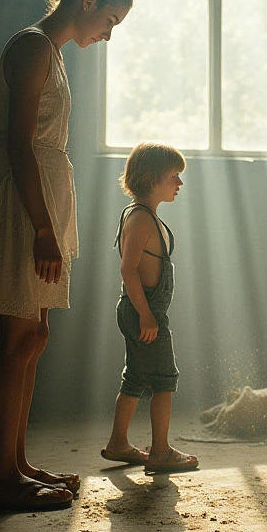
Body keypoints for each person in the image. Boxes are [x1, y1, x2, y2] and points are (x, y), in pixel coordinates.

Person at [0, 0, 133, 510]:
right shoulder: (33, 46)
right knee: (17, 338)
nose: (108, 34)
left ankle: (16, 462)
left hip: (41, 197)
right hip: (22, 202)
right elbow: (19, 143)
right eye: (110, 20)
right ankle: (0, 479)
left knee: (34, 336)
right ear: (87, 3)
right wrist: (41, 228)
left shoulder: (52, 53)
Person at [101, 142, 199, 475]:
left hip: (143, 308)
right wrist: (146, 314)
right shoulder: (141, 219)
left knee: (136, 377)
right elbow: (128, 270)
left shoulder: (145, 215)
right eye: (174, 176)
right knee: (164, 379)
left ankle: (118, 443)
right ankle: (160, 451)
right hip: (142, 308)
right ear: (153, 177)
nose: (179, 183)